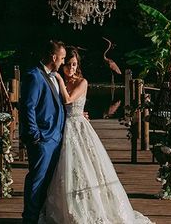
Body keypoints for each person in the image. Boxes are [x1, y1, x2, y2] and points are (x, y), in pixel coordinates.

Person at [41, 46, 154, 224]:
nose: (70, 68)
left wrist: (60, 81)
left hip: (78, 127)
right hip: (63, 127)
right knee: (64, 167)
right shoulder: (60, 80)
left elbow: (69, 100)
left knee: (85, 164)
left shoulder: (81, 82)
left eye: (74, 64)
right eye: (68, 64)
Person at [19, 40, 67, 224]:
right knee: (36, 180)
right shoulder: (34, 76)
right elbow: (27, 107)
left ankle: (39, 216)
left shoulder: (53, 76)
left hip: (55, 137)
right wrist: (34, 136)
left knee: (47, 181)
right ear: (53, 57)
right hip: (43, 139)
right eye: (62, 58)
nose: (63, 62)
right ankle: (29, 219)